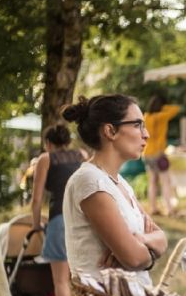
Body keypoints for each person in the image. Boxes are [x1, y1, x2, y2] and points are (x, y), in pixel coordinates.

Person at [61, 94, 167, 285]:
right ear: (110, 131)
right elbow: (133, 258)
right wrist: (148, 250)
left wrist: (140, 239)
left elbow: (162, 238)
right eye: (137, 125)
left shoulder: (120, 183)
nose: (146, 134)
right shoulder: (90, 182)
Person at [30, 124, 86, 296]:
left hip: (60, 220)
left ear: (48, 143)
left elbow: (37, 199)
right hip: (84, 220)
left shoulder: (45, 159)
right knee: (82, 279)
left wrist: (36, 224)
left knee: (61, 281)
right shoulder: (82, 155)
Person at [142, 94, 180, 216]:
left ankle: (153, 208)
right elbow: (176, 109)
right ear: (162, 106)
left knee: (152, 182)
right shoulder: (162, 116)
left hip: (147, 153)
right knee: (165, 181)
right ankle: (169, 209)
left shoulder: (146, 116)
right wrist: (165, 107)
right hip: (159, 154)